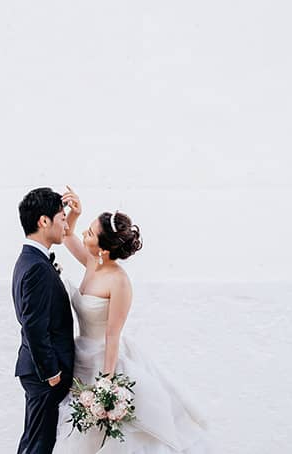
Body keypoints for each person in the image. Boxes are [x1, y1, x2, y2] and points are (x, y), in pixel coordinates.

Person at [54, 187, 211, 453]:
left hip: (104, 362)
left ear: (103, 249)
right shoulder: (93, 262)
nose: (84, 234)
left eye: (90, 233)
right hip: (80, 356)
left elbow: (113, 336)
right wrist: (75, 214)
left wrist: (105, 385)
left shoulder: (119, 282)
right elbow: (67, 234)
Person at [13, 187, 77, 454]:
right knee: (39, 446)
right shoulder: (37, 267)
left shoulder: (30, 260)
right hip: (43, 374)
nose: (65, 224)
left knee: (34, 442)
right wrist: (51, 373)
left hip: (36, 371)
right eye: (62, 218)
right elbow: (34, 325)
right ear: (43, 221)